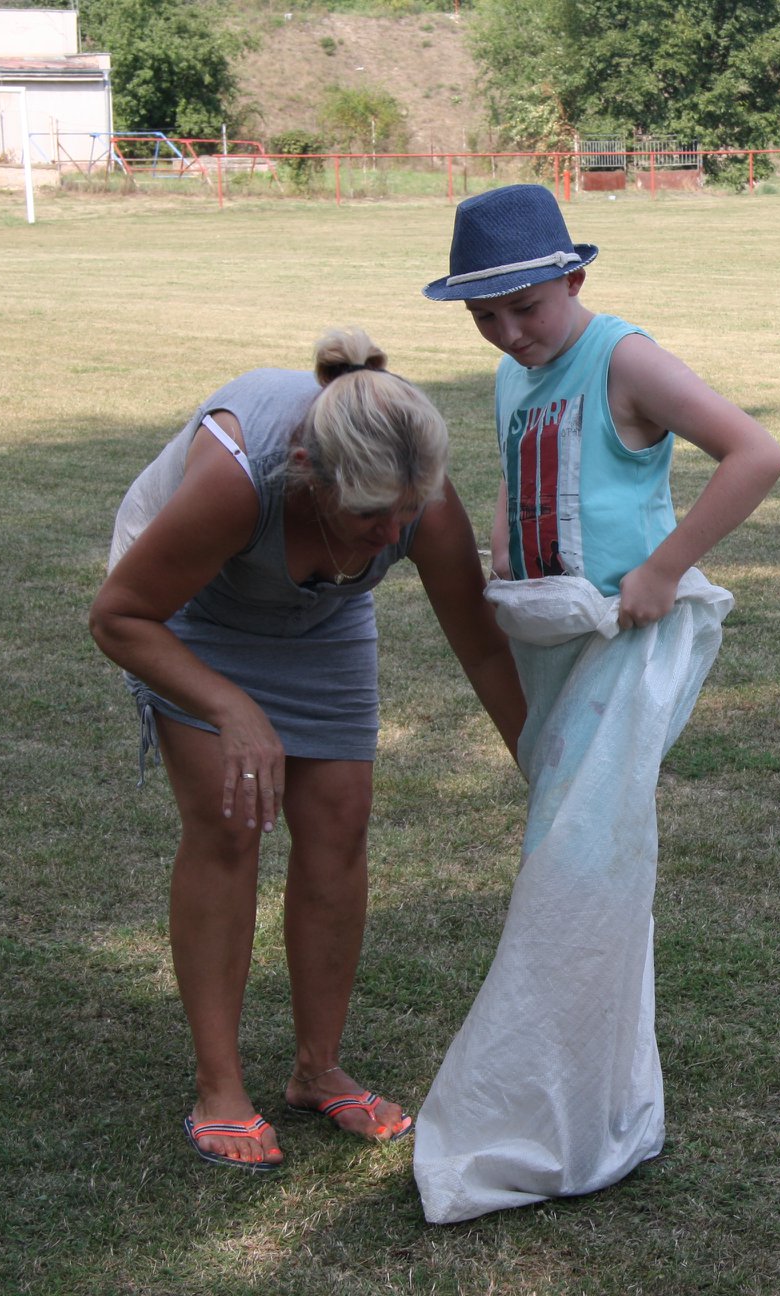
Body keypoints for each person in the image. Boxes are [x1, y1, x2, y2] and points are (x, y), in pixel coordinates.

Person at [409, 183, 780, 1223]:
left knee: (579, 863)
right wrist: (499, 552)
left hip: (628, 642)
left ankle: (555, 1114)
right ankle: (601, 1095)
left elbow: (755, 453)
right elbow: (517, 472)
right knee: (574, 847)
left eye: (527, 306)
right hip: (552, 639)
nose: (511, 331)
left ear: (574, 278)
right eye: (487, 315)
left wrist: (665, 568)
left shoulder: (622, 356)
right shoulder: (506, 372)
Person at [89, 328, 526, 1171]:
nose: (391, 535)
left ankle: (316, 1071)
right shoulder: (237, 480)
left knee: (340, 826)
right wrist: (229, 706)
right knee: (230, 825)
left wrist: (540, 763)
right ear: (309, 474)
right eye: (370, 517)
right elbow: (119, 617)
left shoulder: (412, 496)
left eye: (405, 514)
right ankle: (221, 1086)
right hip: (189, 615)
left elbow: (481, 645)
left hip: (319, 623)